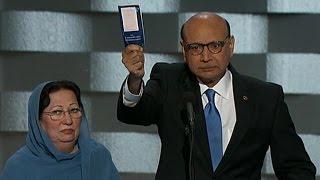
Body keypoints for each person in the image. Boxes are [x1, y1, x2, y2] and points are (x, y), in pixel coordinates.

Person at [117, 12, 316, 179]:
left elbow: (296, 168)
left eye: (215, 46)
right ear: (183, 51)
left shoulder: (265, 97)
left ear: (231, 45)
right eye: (195, 48)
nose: (205, 57)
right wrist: (135, 80)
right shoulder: (169, 81)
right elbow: (134, 114)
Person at [1, 80, 120, 180]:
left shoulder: (98, 156)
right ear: (38, 121)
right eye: (57, 112)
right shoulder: (18, 167)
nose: (68, 120)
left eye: (74, 110)